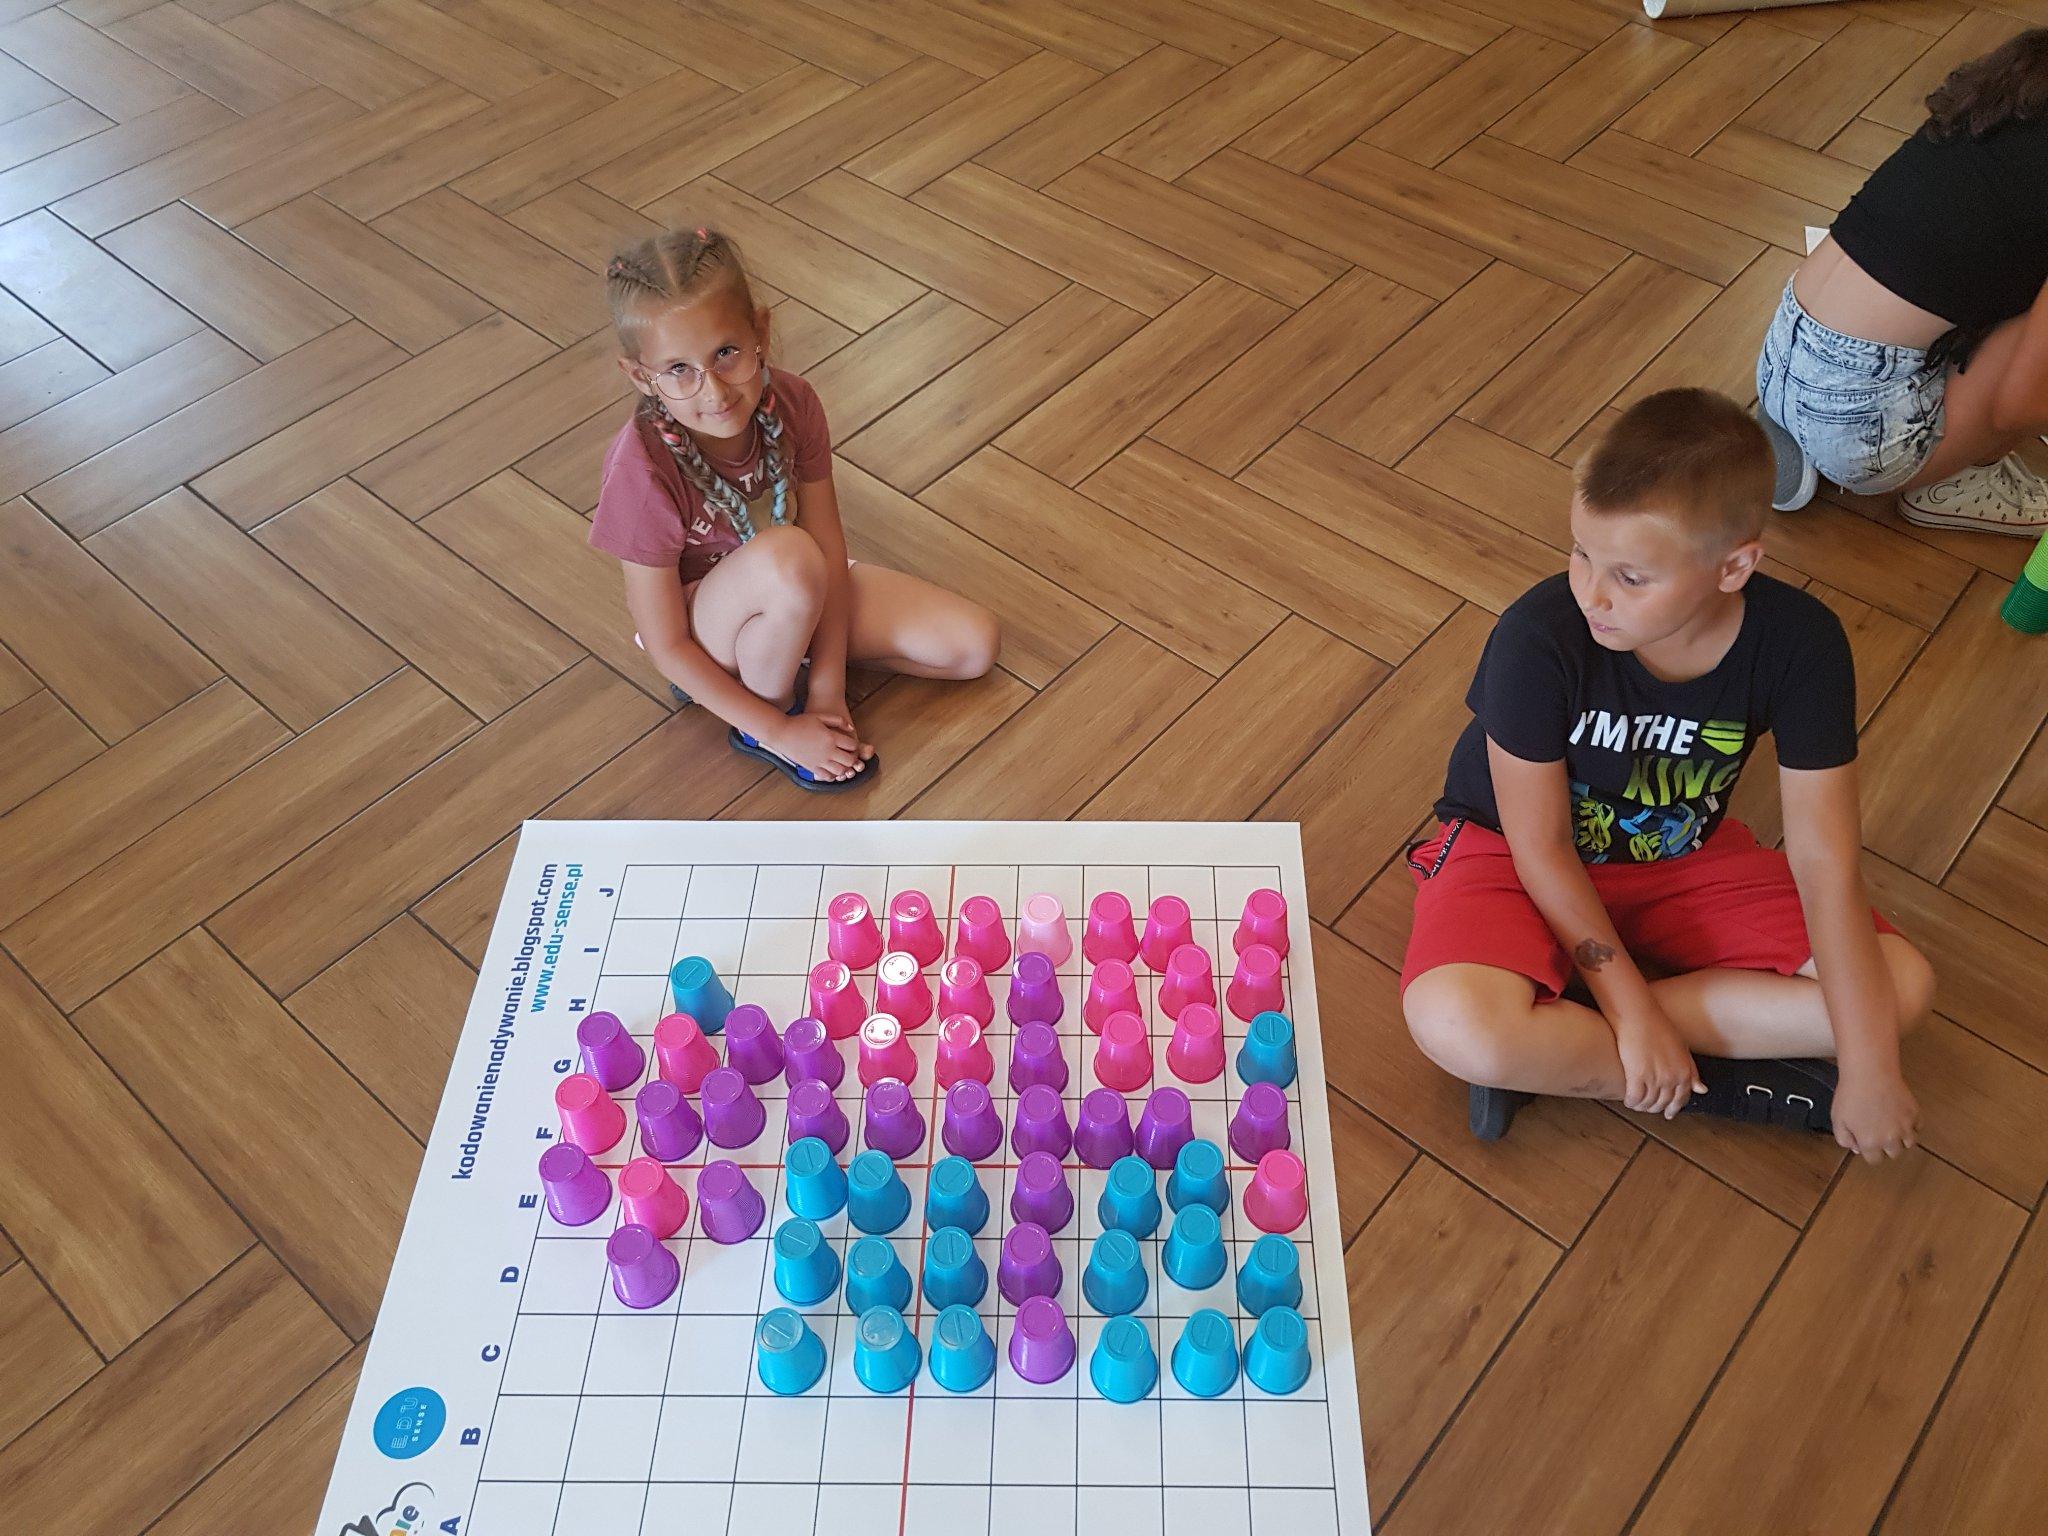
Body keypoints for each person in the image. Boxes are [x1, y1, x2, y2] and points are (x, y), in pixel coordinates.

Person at [1401, 390, 1932, 1162]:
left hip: (1678, 857)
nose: (1591, 594)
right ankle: (1710, 1077)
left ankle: (1562, 1041)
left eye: (1631, 576)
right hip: (1510, 852)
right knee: (1455, 1023)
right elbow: (1541, 847)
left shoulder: (1803, 645)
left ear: (1735, 565)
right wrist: (1636, 1016)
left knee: (1902, 989)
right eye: (1580, 552)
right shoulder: (1537, 637)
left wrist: (1872, 1064)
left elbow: (1826, 865)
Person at [590, 227, 999, 790]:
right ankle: (763, 709)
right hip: (708, 635)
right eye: (679, 369)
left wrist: (829, 688)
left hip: (801, 580)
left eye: (726, 353)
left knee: (972, 646)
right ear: (642, 376)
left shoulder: (795, 403)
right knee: (789, 554)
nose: (714, 391)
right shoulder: (641, 471)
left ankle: (792, 651)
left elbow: (829, 549)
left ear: (760, 333)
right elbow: (667, 644)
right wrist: (781, 731)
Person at [1756, 27, 2048, 536]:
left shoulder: (2017, 85)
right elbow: (2017, 407)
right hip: (1861, 427)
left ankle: (1819, 429)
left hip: (1783, 351)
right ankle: (1955, 483)